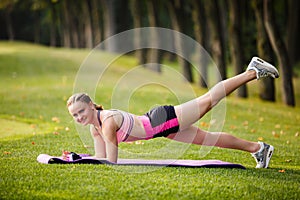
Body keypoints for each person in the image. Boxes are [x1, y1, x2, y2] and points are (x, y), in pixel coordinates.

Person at [67, 57, 279, 168]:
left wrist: (83, 161)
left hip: (161, 120)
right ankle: (259, 149)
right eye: (75, 115)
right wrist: (78, 159)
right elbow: (100, 157)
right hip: (160, 128)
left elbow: (111, 161)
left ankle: (252, 71)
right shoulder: (96, 129)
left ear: (92, 105)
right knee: (209, 139)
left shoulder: (108, 121)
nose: (79, 117)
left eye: (81, 111)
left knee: (207, 101)